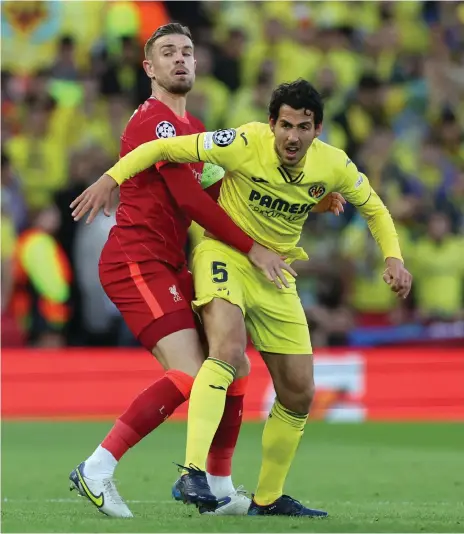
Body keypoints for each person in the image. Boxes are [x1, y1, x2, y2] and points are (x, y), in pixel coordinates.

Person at [72, 79, 395, 517]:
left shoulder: (332, 165)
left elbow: (373, 207)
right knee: (217, 356)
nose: (292, 136)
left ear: (318, 129)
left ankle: (251, 495)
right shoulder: (236, 138)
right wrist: (109, 179)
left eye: (303, 127)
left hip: (270, 268)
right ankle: (173, 471)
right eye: (285, 125)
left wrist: (393, 257)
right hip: (217, 255)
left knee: (293, 390)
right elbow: (163, 160)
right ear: (271, 123)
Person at [67, 23, 299, 519]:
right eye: (168, 52)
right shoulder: (153, 121)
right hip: (136, 261)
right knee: (194, 376)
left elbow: (218, 194)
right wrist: (252, 247)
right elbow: (188, 198)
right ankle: (97, 467)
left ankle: (216, 486)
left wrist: (301, 199)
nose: (180, 59)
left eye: (188, 52)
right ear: (149, 68)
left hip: (169, 263)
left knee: (233, 364)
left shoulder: (196, 130)